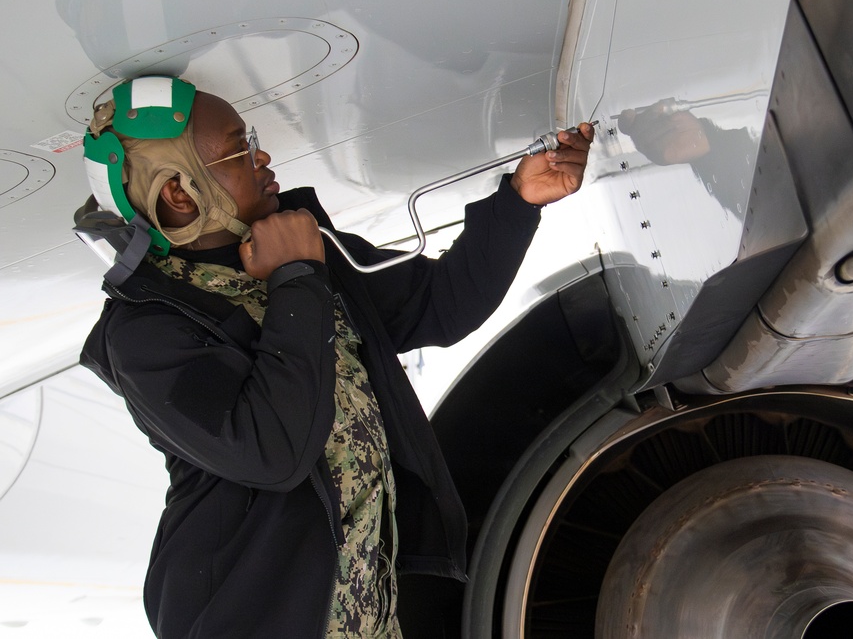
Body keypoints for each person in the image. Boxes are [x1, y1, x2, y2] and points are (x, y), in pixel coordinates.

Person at [78, 75, 593, 639]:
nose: (262, 154)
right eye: (240, 146)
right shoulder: (146, 335)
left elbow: (440, 306)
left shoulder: (306, 248)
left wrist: (518, 202)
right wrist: (295, 279)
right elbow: (273, 451)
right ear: (180, 193)